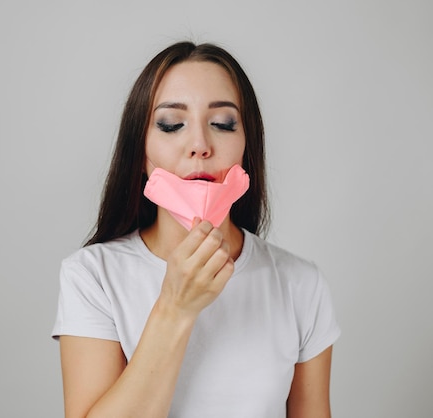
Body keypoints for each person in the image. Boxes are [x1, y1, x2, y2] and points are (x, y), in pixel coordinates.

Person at [52, 41, 340, 418]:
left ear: (245, 148)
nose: (200, 145)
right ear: (140, 152)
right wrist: (175, 307)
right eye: (172, 125)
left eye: (222, 124)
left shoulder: (300, 283)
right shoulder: (91, 277)